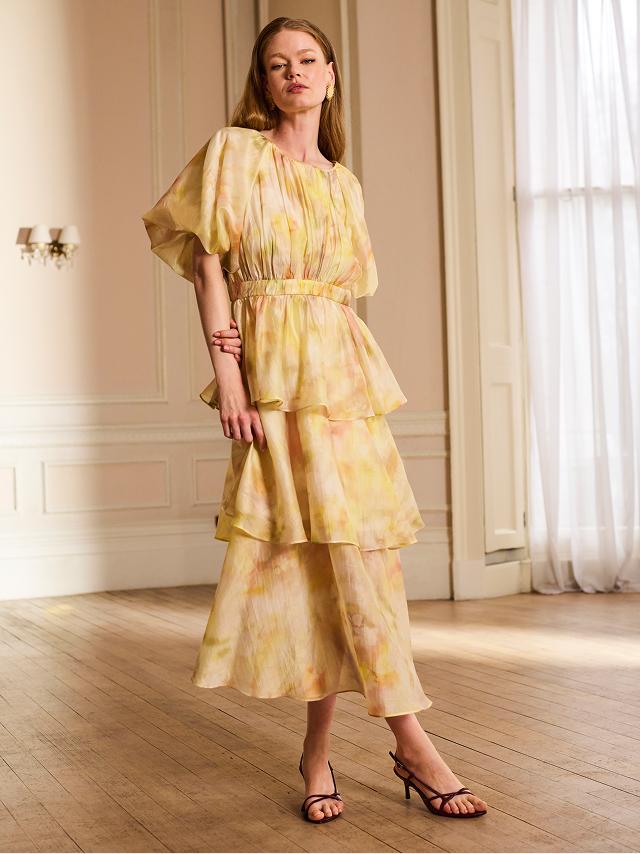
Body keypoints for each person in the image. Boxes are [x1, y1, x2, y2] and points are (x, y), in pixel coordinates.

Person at [142, 16, 488, 825]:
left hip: (342, 382)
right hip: (272, 380)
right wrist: (230, 378)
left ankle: (333, 752)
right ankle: (403, 746)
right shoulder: (236, 153)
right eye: (276, 64)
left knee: (359, 564)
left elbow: (342, 295)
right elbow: (208, 266)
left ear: (331, 75)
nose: (293, 73)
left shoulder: (343, 182)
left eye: (306, 60)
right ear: (263, 82)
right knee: (314, 568)